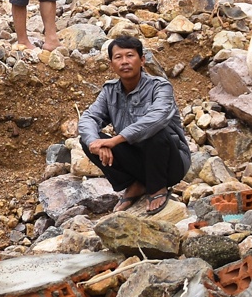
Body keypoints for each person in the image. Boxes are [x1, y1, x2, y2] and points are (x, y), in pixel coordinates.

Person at [77, 35, 191, 215]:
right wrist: (96, 144)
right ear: (111, 64)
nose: (124, 62)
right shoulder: (109, 91)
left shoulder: (160, 87)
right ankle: (134, 184)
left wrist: (116, 140)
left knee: (155, 132)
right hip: (138, 161)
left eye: (130, 56)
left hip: (170, 163)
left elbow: (157, 118)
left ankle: (157, 187)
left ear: (142, 60)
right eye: (118, 57)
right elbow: (89, 118)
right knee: (87, 140)